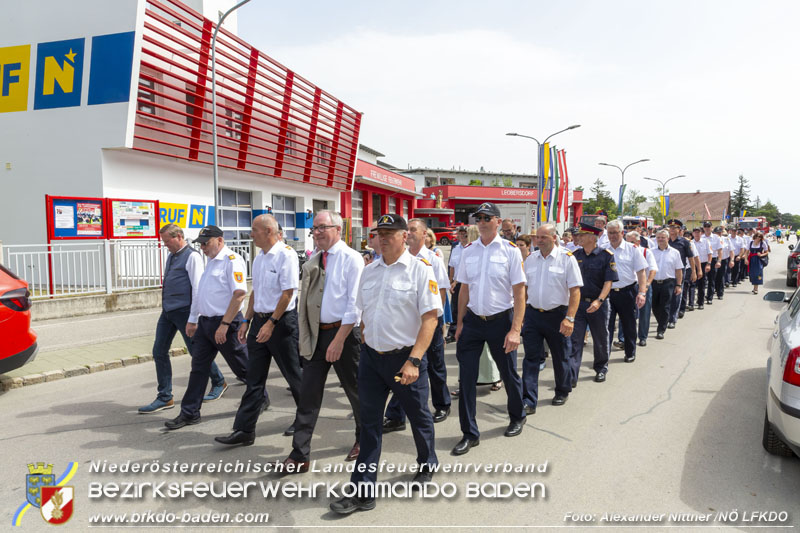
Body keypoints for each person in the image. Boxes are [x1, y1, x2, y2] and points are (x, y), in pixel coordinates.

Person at [329, 215, 441, 515]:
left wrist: (414, 360)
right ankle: (362, 491)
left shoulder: (420, 271)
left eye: (391, 233)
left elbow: (430, 318)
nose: (384, 238)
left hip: (405, 359)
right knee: (368, 423)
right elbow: (364, 311)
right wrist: (366, 335)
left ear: (405, 236)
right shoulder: (369, 271)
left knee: (419, 416)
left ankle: (427, 461)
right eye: (380, 233)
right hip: (371, 358)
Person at [277, 210, 363, 473]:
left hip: (345, 336)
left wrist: (338, 340)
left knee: (357, 392)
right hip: (317, 334)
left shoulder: (352, 259)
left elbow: (354, 304)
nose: (317, 232)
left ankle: (365, 438)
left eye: (322, 227)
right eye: (314, 228)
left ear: (338, 229)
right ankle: (299, 454)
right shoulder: (315, 260)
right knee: (308, 395)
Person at [214, 215, 303, 446]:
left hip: (281, 324)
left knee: (293, 375)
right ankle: (244, 430)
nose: (250, 234)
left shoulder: (286, 254)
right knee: (254, 379)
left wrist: (271, 323)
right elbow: (256, 292)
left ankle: (305, 421)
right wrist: (246, 320)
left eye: (254, 230)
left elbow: (287, 293)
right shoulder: (260, 257)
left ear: (268, 230)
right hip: (259, 322)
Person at [453, 202, 527, 456]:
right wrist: (460, 323)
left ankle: (517, 416)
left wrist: (515, 329)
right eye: (478, 218)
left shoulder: (510, 251)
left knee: (508, 374)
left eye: (487, 217)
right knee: (467, 380)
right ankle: (469, 433)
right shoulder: (469, 251)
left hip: (501, 321)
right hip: (473, 321)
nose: (482, 222)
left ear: (498, 221)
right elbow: (464, 289)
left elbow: (519, 293)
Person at [164, 225, 249, 430]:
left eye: (206, 242)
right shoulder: (210, 262)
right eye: (200, 244)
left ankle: (259, 396)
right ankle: (190, 412)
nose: (202, 247)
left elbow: (239, 294)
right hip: (206, 323)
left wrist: (225, 324)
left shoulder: (231, 260)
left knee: (243, 368)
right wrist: (193, 320)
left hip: (226, 323)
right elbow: (199, 294)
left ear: (219, 240)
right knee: (198, 369)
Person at [139, 224, 228, 414]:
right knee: (159, 351)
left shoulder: (193, 256)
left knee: (197, 351)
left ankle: (219, 381)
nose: (165, 245)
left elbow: (197, 288)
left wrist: (193, 318)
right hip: (169, 311)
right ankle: (165, 396)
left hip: (186, 312)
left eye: (167, 241)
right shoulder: (172, 256)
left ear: (179, 236)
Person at [383, 218, 451, 431]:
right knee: (403, 368)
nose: (409, 233)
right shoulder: (394, 258)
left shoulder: (432, 259)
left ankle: (441, 404)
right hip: (404, 325)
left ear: (424, 235)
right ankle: (396, 415)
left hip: (428, 321)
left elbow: (441, 291)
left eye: (413, 230)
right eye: (407, 230)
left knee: (435, 365)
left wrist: (438, 320)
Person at [521, 223, 582, 411]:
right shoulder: (531, 259)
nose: (538, 241)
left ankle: (562, 390)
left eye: (543, 237)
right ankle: (528, 400)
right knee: (530, 358)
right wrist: (521, 315)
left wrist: (570, 318)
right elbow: (523, 289)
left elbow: (575, 291)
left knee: (561, 355)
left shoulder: (566, 259)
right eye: (536, 237)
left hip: (557, 316)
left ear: (554, 238)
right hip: (533, 315)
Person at [569, 223, 618, 385]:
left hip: (599, 305)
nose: (579, 238)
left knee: (600, 338)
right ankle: (572, 374)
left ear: (592, 237)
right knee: (575, 340)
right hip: (579, 304)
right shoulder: (575, 255)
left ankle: (601, 367)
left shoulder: (606, 255)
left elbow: (608, 282)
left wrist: (599, 301)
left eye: (582, 235)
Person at [605, 220, 648, 363]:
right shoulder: (603, 249)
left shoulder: (633, 249)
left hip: (627, 292)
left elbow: (641, 272)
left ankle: (630, 352)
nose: (612, 236)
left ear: (622, 233)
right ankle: (605, 355)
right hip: (608, 293)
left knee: (629, 324)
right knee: (606, 326)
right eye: (610, 233)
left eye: (615, 233)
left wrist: (642, 293)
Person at [650, 230, 684, 340]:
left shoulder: (675, 252)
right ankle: (662, 321)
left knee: (665, 306)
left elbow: (678, 270)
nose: (660, 239)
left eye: (662, 237)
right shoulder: (651, 252)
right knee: (654, 306)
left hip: (668, 283)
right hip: (654, 283)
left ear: (667, 239)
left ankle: (661, 329)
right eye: (658, 237)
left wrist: (678, 285)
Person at [625, 231, 658, 346]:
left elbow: (653, 269)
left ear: (638, 241)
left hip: (643, 286)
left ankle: (642, 336)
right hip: (629, 286)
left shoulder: (646, 252)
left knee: (644, 312)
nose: (629, 244)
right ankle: (623, 338)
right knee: (627, 312)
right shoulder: (623, 252)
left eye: (632, 242)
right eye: (627, 241)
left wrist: (647, 284)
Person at [666, 219, 695, 326]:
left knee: (676, 294)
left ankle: (672, 318)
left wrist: (694, 272)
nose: (672, 230)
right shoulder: (665, 241)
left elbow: (691, 258)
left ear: (679, 230)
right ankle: (667, 315)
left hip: (679, 272)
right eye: (670, 227)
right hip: (667, 271)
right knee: (666, 296)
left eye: (675, 228)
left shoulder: (684, 242)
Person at [446, 226, 470, 343]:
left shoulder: (471, 248)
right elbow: (452, 266)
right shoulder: (455, 248)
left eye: (464, 234)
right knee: (454, 308)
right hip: (456, 283)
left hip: (467, 283)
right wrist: (450, 282)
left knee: (466, 308)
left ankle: (466, 331)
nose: (462, 236)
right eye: (460, 234)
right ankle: (452, 332)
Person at [701, 222, 722, 305]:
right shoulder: (701, 237)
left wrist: (719, 261)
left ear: (711, 228)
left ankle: (710, 297)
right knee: (701, 281)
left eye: (708, 226)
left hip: (713, 260)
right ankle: (701, 297)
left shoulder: (716, 237)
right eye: (705, 226)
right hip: (702, 260)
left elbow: (720, 250)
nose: (707, 228)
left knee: (711, 279)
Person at [713, 226, 734, 300]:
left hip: (723, 260)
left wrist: (732, 260)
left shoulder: (726, 239)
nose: (718, 234)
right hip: (714, 260)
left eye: (720, 232)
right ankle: (712, 291)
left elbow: (731, 250)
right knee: (713, 277)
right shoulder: (711, 239)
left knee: (721, 276)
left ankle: (720, 293)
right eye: (717, 233)